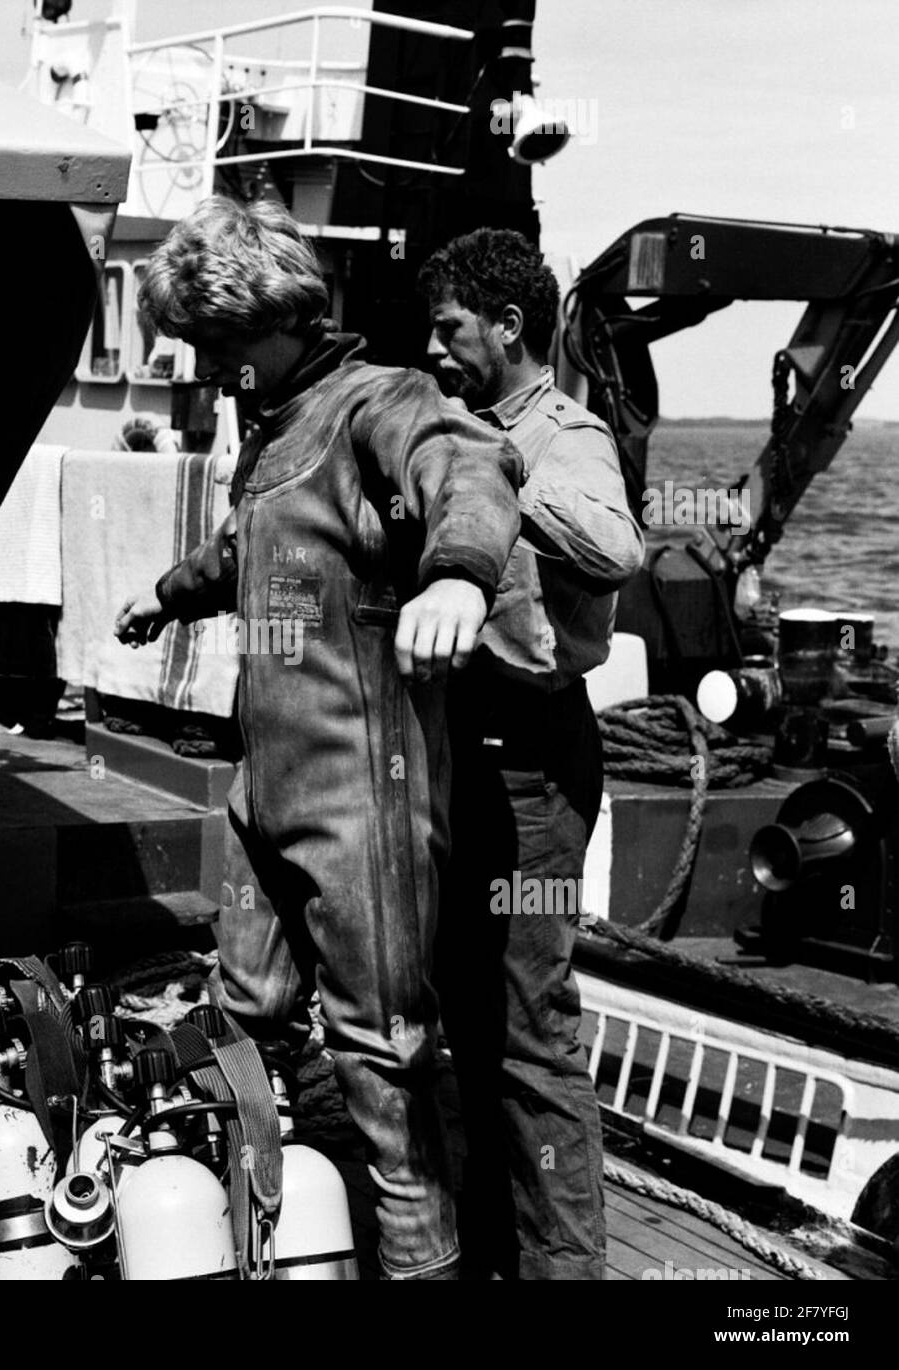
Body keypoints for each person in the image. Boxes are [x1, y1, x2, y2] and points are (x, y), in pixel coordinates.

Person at [115, 196, 523, 1279]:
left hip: (362, 802)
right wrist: (167, 595)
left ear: (273, 314)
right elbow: (243, 549)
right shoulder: (278, 428)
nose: (205, 368)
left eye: (216, 344)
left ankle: (424, 1264)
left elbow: (469, 465)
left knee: (384, 1061)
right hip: (265, 792)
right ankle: (264, 1232)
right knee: (238, 1019)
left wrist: (454, 573)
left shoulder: (378, 404)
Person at [420, 227, 645, 1280]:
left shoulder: (567, 437)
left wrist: (505, 469)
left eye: (450, 327)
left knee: (531, 1025)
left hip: (535, 766)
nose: (432, 347)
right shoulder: (449, 423)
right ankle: (494, 1244)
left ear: (509, 327)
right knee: (466, 1011)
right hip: (459, 750)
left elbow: (617, 548)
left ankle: (566, 1268)